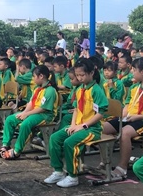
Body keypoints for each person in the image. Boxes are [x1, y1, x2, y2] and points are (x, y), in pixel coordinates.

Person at [44, 58, 108, 188]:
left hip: (92, 129)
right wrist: (73, 125)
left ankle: (73, 176)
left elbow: (101, 113)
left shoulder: (96, 90)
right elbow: (77, 109)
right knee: (55, 138)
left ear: (91, 73)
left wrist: (83, 125)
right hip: (78, 125)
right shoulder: (79, 89)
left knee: (69, 143)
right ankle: (58, 171)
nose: (79, 78)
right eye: (77, 75)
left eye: (82, 75)